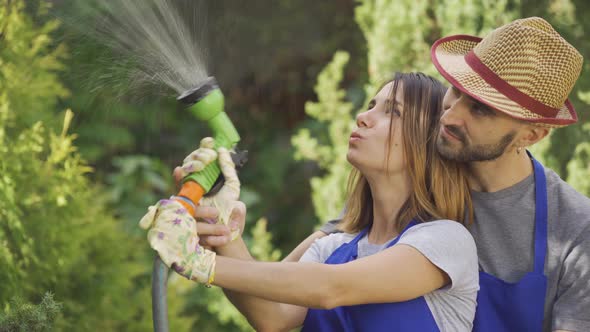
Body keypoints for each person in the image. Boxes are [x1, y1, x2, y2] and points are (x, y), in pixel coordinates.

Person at [141, 72, 479, 331]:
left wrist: (199, 262)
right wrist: (220, 225)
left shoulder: (446, 242)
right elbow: (272, 315)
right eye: (371, 105)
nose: (364, 117)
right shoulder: (332, 249)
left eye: (393, 111)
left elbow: (332, 288)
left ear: (426, 140)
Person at [319, 17, 590, 332]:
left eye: (479, 109)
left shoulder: (576, 230)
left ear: (531, 136)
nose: (450, 115)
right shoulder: (416, 172)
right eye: (456, 90)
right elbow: (312, 263)